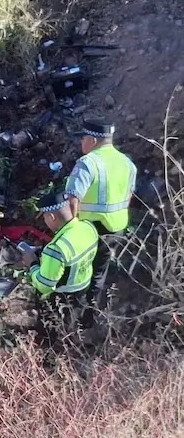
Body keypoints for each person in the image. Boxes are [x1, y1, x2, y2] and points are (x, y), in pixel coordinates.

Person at [65, 119, 137, 306]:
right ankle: (90, 317)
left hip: (90, 230)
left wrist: (71, 229)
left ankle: (69, 320)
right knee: (99, 274)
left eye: (83, 139)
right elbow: (128, 196)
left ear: (93, 141)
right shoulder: (127, 163)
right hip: (117, 229)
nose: (82, 143)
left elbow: (73, 198)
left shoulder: (88, 163)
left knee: (77, 275)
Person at [19, 191, 99, 346]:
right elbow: (72, 255)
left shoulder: (56, 249)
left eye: (44, 217)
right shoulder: (88, 228)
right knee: (71, 327)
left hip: (61, 299)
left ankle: (50, 361)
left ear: (52, 217)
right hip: (82, 290)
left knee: (51, 337)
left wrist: (32, 264)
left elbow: (44, 285)